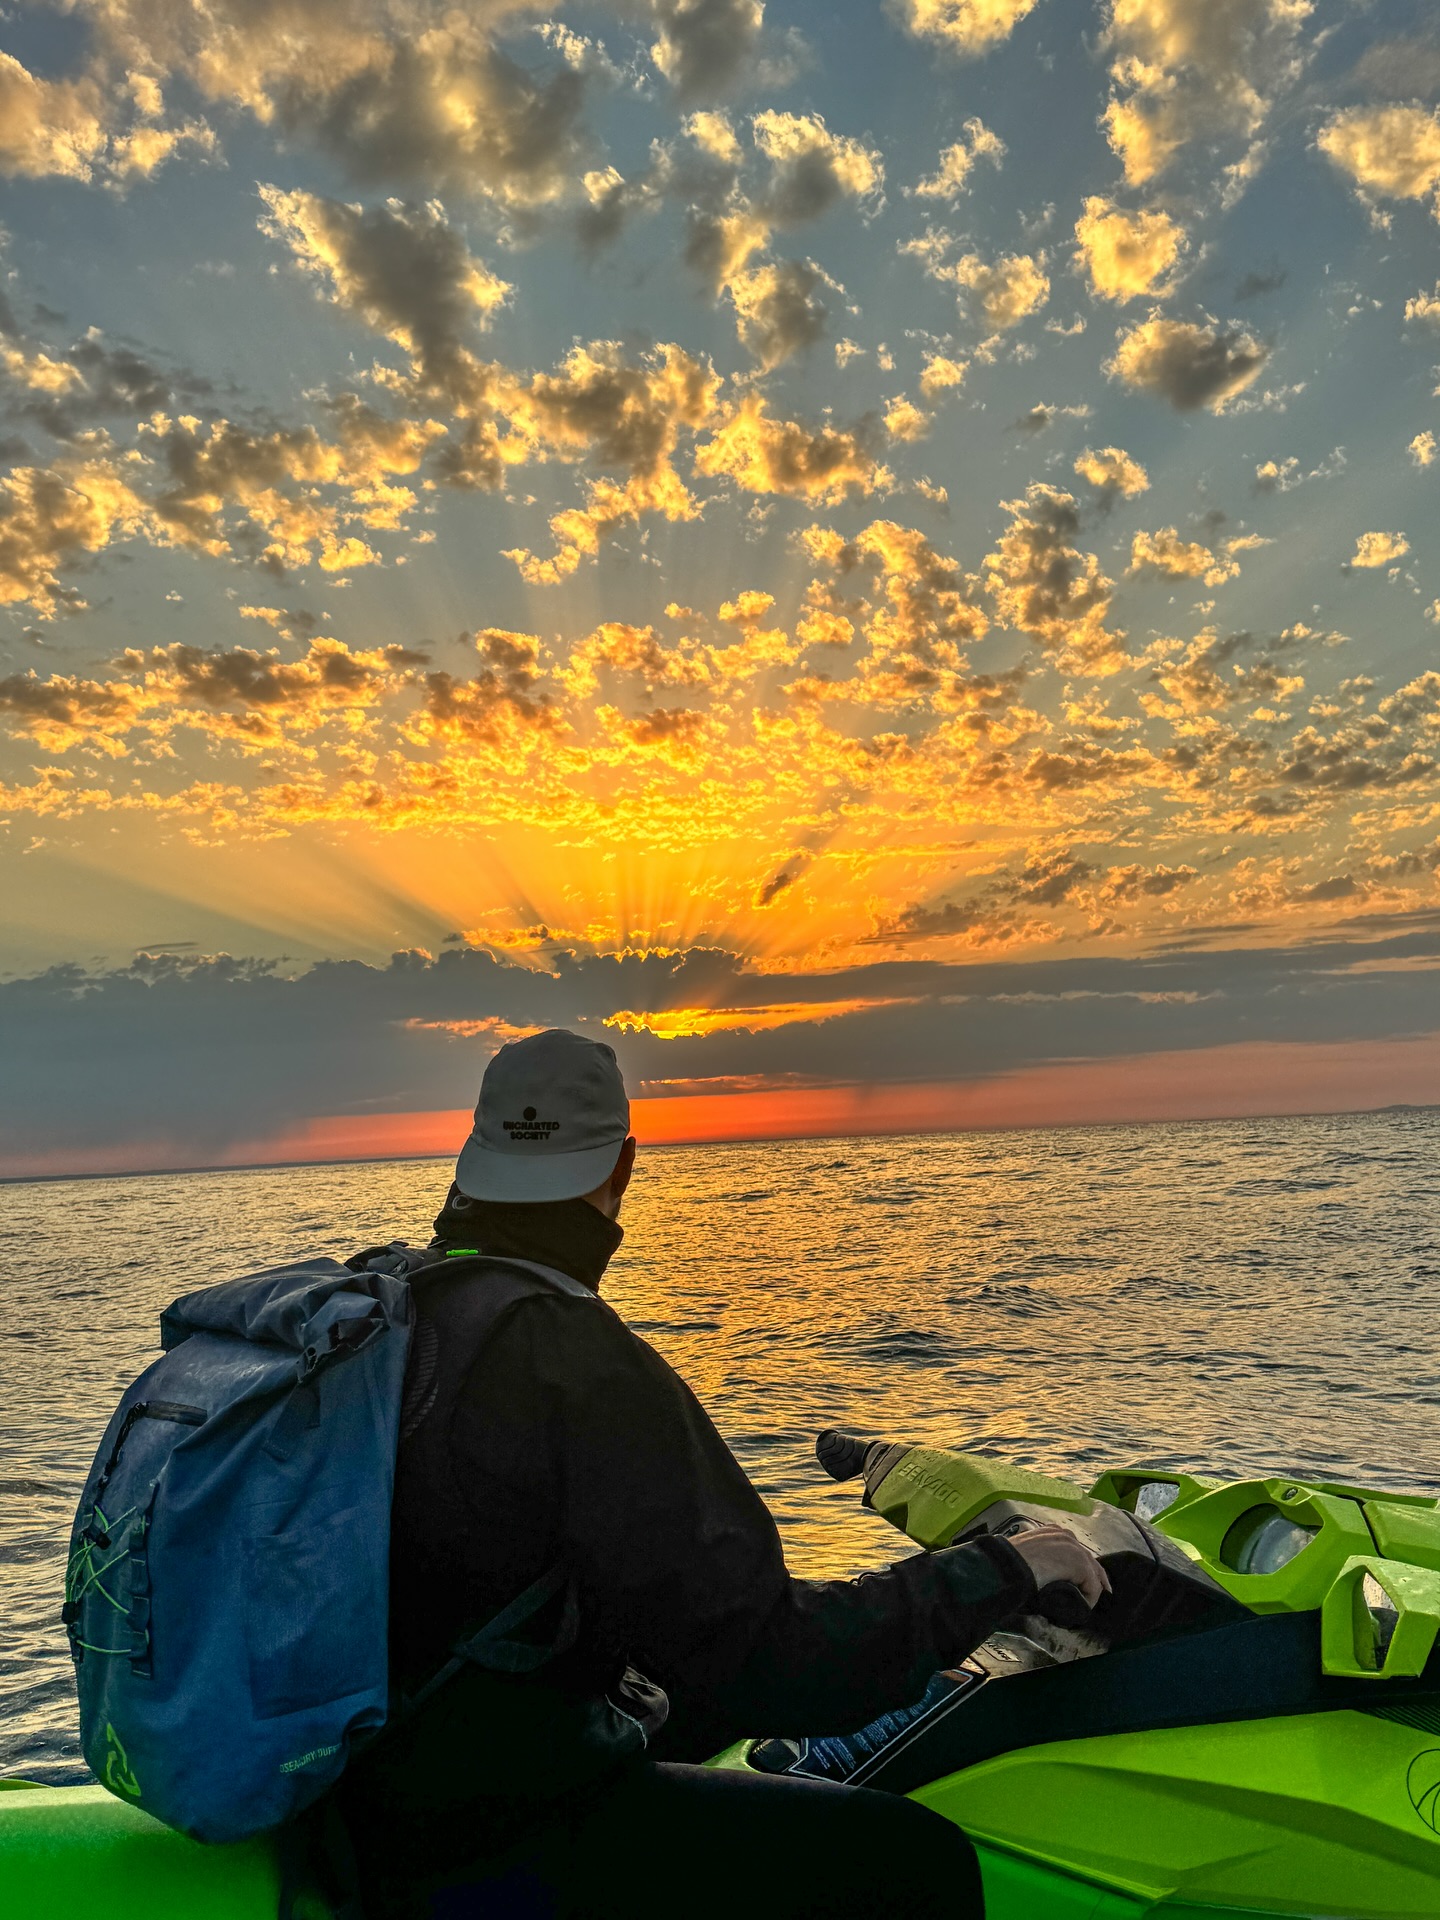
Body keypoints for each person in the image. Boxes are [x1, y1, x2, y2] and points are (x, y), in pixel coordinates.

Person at [338, 1029, 1108, 1919]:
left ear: (473, 1160)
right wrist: (1004, 1570)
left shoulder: (387, 1312)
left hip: (358, 1789)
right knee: (911, 1858)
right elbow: (771, 1663)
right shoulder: (575, 1360)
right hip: (482, 1831)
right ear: (623, 1163)